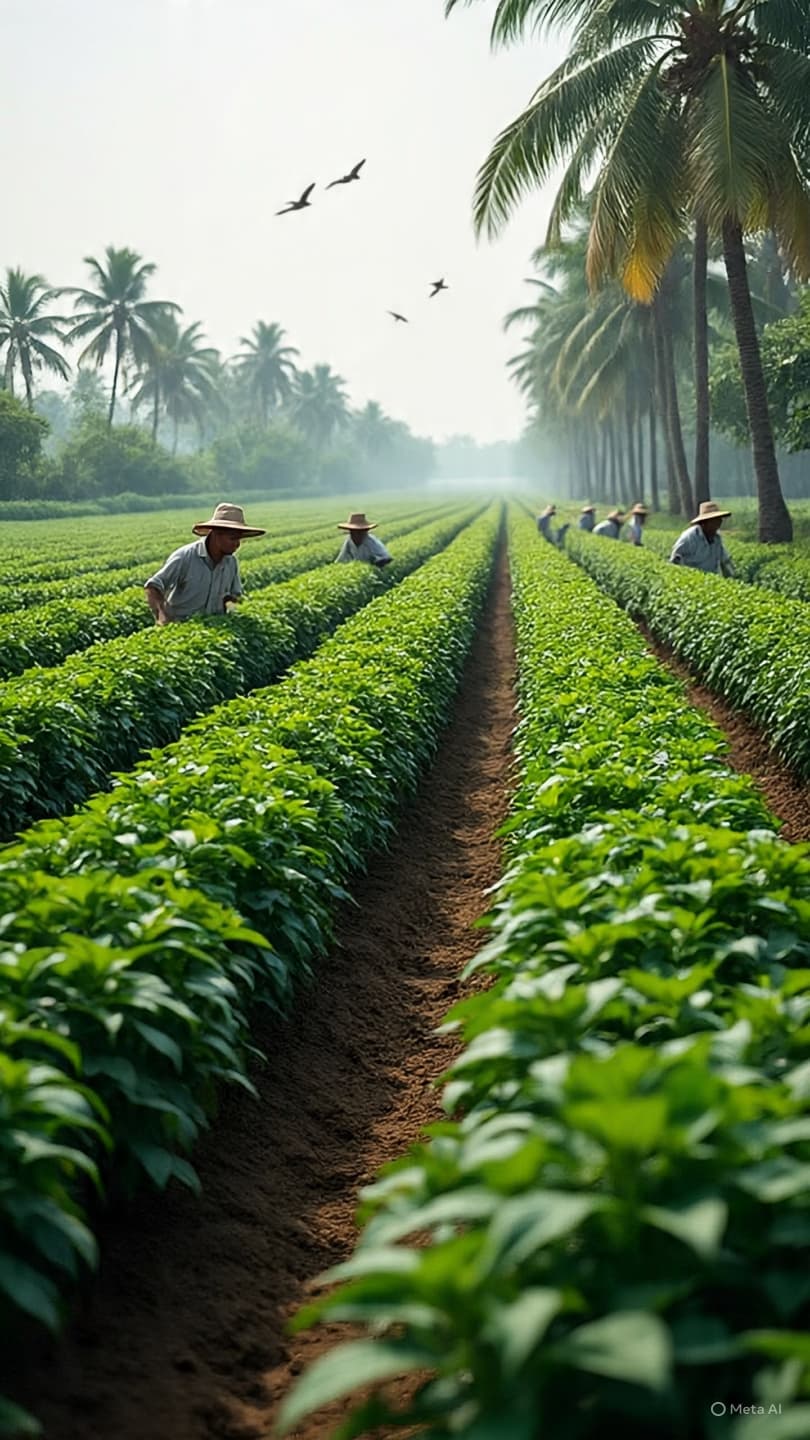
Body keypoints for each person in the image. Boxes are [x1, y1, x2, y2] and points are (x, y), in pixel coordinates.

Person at [144, 502, 266, 625]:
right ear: (216, 533)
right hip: (183, 629)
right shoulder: (185, 557)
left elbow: (233, 597)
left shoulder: (231, 562)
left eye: (239, 539)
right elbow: (153, 586)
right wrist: (163, 616)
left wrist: (233, 614)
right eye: (233, 538)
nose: (237, 544)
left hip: (214, 629)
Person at [670, 500, 735, 576]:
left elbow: (724, 562)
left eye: (719, 520)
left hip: (712, 580)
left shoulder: (716, 539)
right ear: (704, 523)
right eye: (715, 521)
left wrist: (731, 578)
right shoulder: (689, 538)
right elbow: (675, 561)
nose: (719, 523)